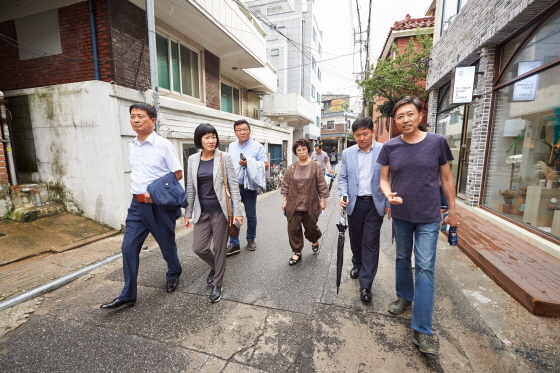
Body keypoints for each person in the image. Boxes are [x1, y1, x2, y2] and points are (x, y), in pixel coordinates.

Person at [377, 96, 458, 356]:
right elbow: (384, 179)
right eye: (400, 117)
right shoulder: (390, 146)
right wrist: (388, 196)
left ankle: (422, 330)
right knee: (402, 257)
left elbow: (446, 179)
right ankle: (404, 296)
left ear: (420, 116)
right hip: (401, 214)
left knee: (424, 268)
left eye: (410, 114)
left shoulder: (437, 142)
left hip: (429, 216)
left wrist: (452, 211)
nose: (405, 120)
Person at [101, 103, 183, 310]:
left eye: (140, 116)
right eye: (132, 116)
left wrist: (154, 190)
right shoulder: (132, 145)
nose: (135, 120)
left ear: (153, 121)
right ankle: (128, 294)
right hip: (136, 206)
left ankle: (174, 272)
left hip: (158, 206)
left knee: (166, 246)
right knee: (128, 247)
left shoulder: (163, 145)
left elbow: (177, 173)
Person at [184, 124, 244, 303]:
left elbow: (233, 186)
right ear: (199, 140)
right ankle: (215, 267)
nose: (211, 141)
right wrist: (187, 212)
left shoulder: (224, 158)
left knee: (219, 249)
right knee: (199, 248)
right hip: (201, 212)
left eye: (213, 137)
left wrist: (238, 211)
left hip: (220, 212)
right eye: (206, 137)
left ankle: (218, 283)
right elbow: (190, 188)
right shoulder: (193, 159)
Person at [338, 118, 389, 303]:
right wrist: (343, 194)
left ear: (373, 132)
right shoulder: (348, 153)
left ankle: (366, 284)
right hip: (355, 203)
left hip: (375, 204)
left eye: (365, 134)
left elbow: (389, 177)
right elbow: (342, 177)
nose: (361, 138)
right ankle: (357, 264)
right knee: (356, 240)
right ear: (354, 135)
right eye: (358, 135)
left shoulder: (384, 150)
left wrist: (389, 203)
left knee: (370, 243)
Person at [280, 138, 330, 265]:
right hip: (293, 204)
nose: (301, 152)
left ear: (308, 150)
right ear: (295, 152)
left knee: (310, 228)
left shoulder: (315, 166)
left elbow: (321, 184)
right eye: (298, 150)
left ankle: (314, 239)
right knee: (293, 229)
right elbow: (285, 185)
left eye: (304, 149)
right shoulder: (291, 168)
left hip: (310, 204)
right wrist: (284, 201)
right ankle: (297, 252)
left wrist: (323, 199)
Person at [227, 119, 268, 255]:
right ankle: (234, 243)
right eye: (239, 130)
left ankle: (251, 239)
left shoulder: (258, 147)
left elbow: (266, 165)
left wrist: (249, 163)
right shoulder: (231, 146)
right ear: (235, 132)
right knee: (232, 215)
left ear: (250, 131)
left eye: (245, 129)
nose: (242, 132)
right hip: (234, 186)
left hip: (249, 186)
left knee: (251, 215)